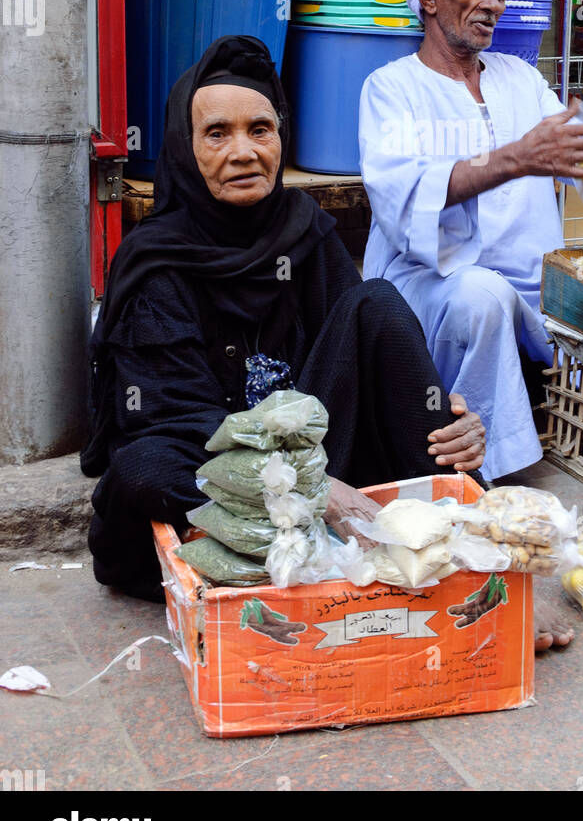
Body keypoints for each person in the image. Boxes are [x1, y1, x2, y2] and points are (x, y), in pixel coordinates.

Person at [81, 34, 485, 603]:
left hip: (320, 454)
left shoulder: (306, 231)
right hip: (222, 468)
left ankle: (473, 564)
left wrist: (442, 416)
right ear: (183, 148)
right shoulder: (155, 262)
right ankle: (321, 555)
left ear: (280, 136)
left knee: (378, 303)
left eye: (260, 129)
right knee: (142, 469)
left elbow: (360, 359)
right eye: (217, 134)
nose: (244, 151)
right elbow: (168, 421)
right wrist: (312, 486)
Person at [359, 0, 583, 484]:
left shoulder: (520, 78)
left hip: (534, 288)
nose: (493, 4)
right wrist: (517, 157)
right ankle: (481, 466)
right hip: (432, 286)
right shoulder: (391, 88)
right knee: (480, 294)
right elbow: (402, 195)